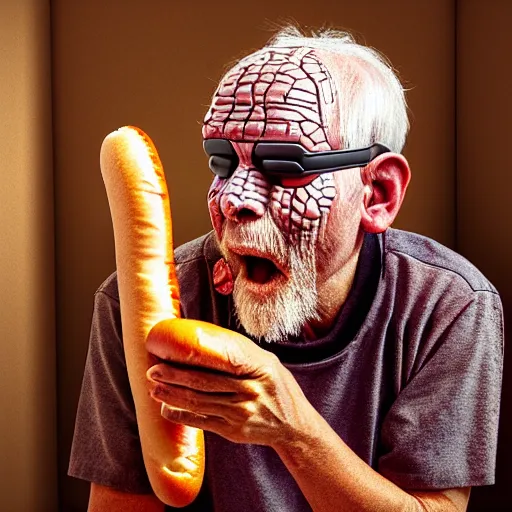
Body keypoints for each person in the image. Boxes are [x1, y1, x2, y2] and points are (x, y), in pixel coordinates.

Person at [69, 27, 504, 511]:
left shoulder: (449, 305)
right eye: (221, 163)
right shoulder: (136, 309)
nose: (233, 199)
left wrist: (291, 428)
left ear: (377, 193)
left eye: (284, 164)